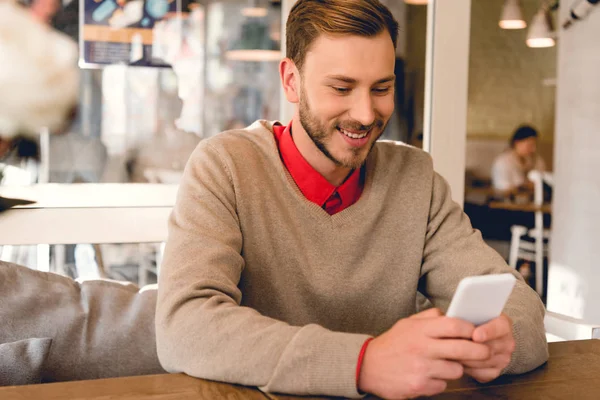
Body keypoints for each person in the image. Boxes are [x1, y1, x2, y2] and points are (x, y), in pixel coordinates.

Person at [155, 1, 549, 398]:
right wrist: (363, 363)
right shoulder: (224, 166)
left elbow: (520, 307)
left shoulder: (416, 179)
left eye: (382, 88)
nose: (365, 114)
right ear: (291, 80)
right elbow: (185, 326)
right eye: (341, 88)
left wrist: (503, 339)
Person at [491, 125, 547, 196]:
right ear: (517, 143)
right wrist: (525, 187)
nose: (533, 149)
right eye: (530, 145)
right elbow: (503, 189)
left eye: (535, 145)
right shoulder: (503, 162)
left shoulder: (537, 160)